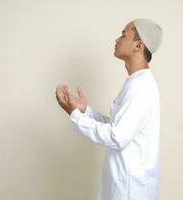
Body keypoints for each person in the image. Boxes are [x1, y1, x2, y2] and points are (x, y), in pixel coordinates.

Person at [55, 18, 163, 200]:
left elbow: (117, 137)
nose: (117, 39)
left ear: (138, 46)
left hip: (130, 191)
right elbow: (118, 126)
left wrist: (75, 115)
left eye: (123, 34)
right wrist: (85, 111)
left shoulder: (141, 88)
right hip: (123, 186)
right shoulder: (135, 83)